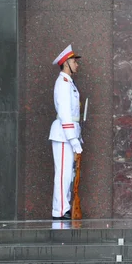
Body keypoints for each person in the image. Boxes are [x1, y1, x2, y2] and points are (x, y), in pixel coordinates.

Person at [49, 45, 82, 220]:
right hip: (63, 135)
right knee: (63, 173)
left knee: (69, 173)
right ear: (66, 63)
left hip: (69, 133)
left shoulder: (69, 83)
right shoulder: (62, 84)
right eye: (74, 61)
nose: (77, 64)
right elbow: (65, 113)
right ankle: (60, 210)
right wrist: (73, 139)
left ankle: (65, 207)